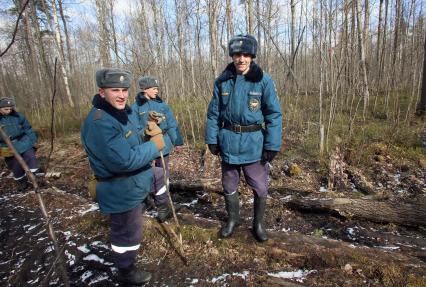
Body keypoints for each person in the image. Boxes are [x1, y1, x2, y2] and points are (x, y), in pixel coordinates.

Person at [81, 68, 165, 285]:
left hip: (132, 182)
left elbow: (130, 140)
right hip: (120, 189)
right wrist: (154, 146)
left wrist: (147, 132)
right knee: (127, 234)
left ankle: (160, 207)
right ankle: (126, 271)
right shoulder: (100, 122)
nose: (121, 95)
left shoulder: (120, 112)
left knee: (159, 174)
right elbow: (124, 160)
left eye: (124, 90)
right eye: (115, 90)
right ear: (102, 92)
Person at [205, 34, 282, 242]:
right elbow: (213, 113)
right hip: (228, 141)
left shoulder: (263, 80)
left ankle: (257, 224)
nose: (241, 59)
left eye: (246, 55)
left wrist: (272, 144)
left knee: (259, 185)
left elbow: (273, 114)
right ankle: (233, 219)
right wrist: (212, 139)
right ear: (232, 56)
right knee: (229, 184)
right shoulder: (222, 81)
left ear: (252, 56)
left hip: (254, 143)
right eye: (237, 54)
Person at [131, 76, 184, 222]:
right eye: (154, 88)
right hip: (146, 146)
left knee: (163, 174)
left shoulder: (162, 105)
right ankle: (146, 200)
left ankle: (163, 205)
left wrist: (177, 142)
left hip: (164, 144)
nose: (156, 91)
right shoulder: (135, 108)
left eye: (157, 88)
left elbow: (172, 124)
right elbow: (134, 130)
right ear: (145, 89)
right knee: (146, 174)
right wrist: (149, 128)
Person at [0, 97, 43, 191]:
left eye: (10, 109)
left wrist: (33, 141)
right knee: (15, 165)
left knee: (30, 157)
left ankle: (36, 179)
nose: (9, 111)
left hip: (23, 141)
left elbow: (28, 129)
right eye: (6, 109)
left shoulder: (18, 116)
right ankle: (22, 182)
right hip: (5, 146)